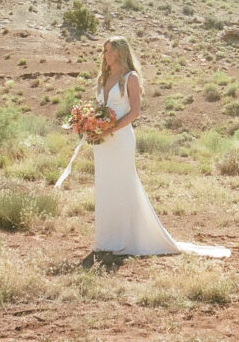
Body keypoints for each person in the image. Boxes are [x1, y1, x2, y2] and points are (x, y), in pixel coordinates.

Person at [88, 36, 230, 258]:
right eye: (104, 51)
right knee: (105, 185)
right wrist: (90, 126)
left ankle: (127, 238)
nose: (104, 54)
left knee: (124, 184)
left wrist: (110, 129)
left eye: (108, 50)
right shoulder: (102, 78)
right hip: (102, 142)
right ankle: (107, 239)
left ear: (119, 53)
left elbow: (135, 112)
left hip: (121, 138)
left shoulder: (130, 78)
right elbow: (98, 109)